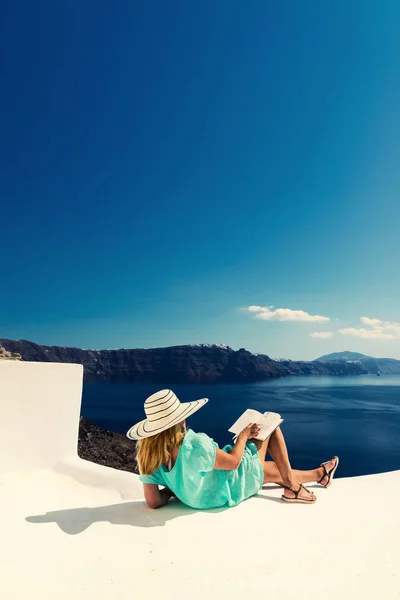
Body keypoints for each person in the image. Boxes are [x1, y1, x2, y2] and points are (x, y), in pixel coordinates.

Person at [127, 389, 339, 510]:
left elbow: (153, 501)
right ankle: (293, 489)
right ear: (178, 421)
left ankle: (321, 474)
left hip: (200, 498)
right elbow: (233, 464)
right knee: (271, 426)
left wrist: (177, 489)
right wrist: (244, 437)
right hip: (228, 489)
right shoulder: (194, 445)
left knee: (270, 469)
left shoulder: (147, 455)